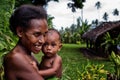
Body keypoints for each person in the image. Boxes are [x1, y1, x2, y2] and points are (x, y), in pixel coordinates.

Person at [3, 4, 48, 80]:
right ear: (20, 32)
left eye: (45, 34)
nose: (42, 41)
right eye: (37, 34)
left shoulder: (27, 54)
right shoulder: (16, 58)